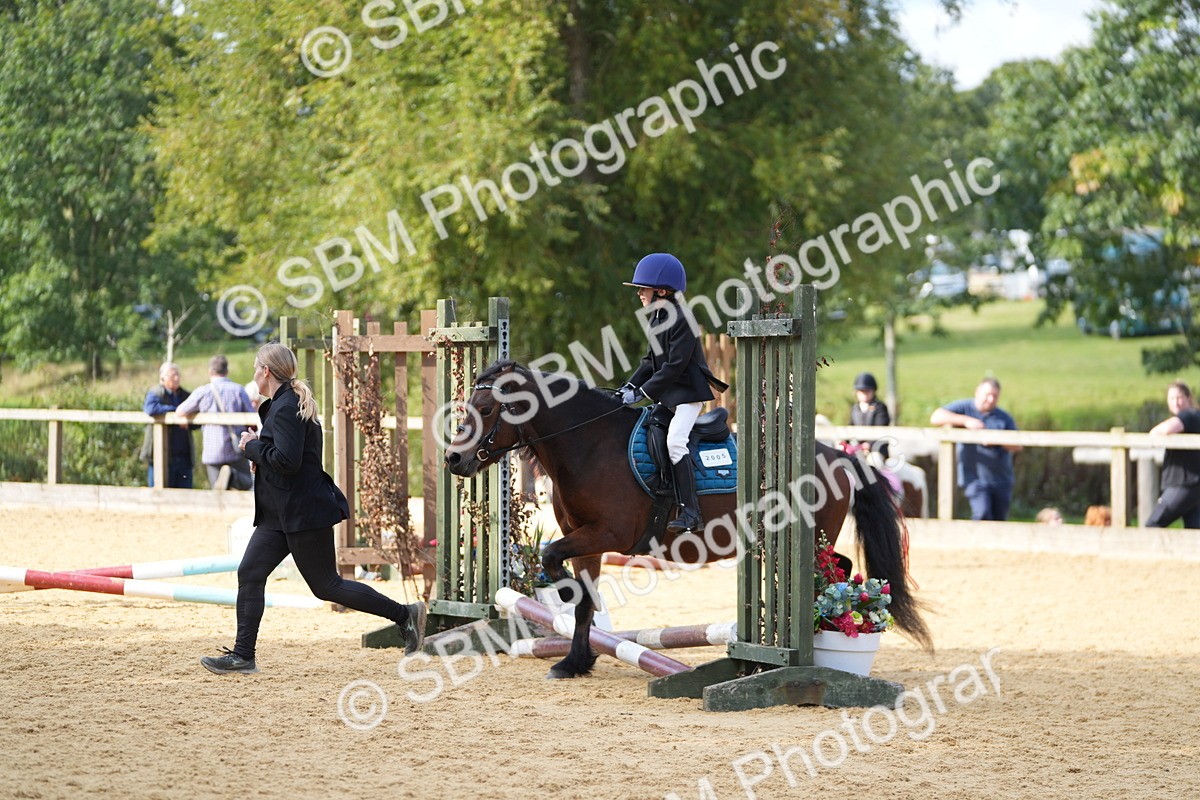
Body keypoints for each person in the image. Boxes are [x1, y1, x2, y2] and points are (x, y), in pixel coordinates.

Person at [200, 343, 426, 675]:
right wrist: (260, 456)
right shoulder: (280, 403)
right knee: (250, 572)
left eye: (254, 369)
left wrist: (252, 448)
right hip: (279, 514)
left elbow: (288, 462)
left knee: (327, 586)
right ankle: (243, 655)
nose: (253, 375)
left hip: (303, 512)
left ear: (266, 371)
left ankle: (405, 615)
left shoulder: (287, 406)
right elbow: (282, 456)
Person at [617, 253, 728, 534]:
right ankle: (665, 487)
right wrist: (628, 387)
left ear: (662, 291)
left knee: (676, 442)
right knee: (651, 425)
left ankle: (692, 513)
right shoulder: (657, 318)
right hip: (670, 396)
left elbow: (675, 366)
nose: (639, 294)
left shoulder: (682, 319)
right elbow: (648, 362)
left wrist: (642, 392)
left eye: (643, 289)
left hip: (688, 395)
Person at [930, 377, 1022, 521]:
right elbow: (936, 417)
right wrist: (966, 421)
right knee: (982, 513)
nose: (991, 399)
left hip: (1002, 479)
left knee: (999, 520)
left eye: (995, 396)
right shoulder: (964, 408)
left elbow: (1018, 445)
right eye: (988, 394)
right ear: (978, 392)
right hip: (975, 478)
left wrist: (997, 440)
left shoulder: (1004, 418)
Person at [176, 355, 255, 491]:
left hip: (213, 451)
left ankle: (228, 480)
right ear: (226, 371)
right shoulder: (238, 390)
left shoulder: (203, 391)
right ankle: (232, 476)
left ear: (210, 372)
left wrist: (188, 418)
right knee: (246, 483)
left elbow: (180, 411)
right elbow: (252, 418)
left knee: (218, 491)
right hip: (236, 447)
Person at [1144, 381, 1200, 528]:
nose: (1176, 402)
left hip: (1183, 484)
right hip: (1194, 487)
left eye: (1179, 397)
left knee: (1152, 525)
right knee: (1194, 534)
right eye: (1171, 399)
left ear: (1189, 398)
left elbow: (1168, 428)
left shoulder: (1189, 415)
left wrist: (1153, 433)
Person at [141, 362, 194, 488]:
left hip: (183, 456)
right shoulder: (155, 393)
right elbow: (150, 409)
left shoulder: (185, 395)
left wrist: (188, 422)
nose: (176, 378)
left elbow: (197, 417)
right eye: (172, 375)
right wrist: (176, 411)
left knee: (184, 496)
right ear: (162, 378)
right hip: (161, 457)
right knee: (158, 495)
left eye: (177, 375)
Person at [849, 372, 891, 459]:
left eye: (867, 391)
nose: (864, 394)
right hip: (858, 448)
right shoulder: (855, 409)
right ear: (856, 392)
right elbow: (850, 427)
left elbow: (881, 429)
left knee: (874, 460)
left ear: (873, 391)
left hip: (876, 449)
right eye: (861, 391)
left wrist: (869, 444)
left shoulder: (880, 408)